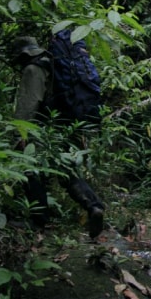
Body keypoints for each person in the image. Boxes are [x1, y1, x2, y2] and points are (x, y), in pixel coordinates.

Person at [10, 36, 105, 240]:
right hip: (66, 126)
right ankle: (94, 206)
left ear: (23, 55)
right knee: (67, 171)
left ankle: (39, 222)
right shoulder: (56, 64)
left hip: (44, 129)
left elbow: (28, 104)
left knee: (30, 170)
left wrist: (20, 134)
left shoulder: (33, 69)